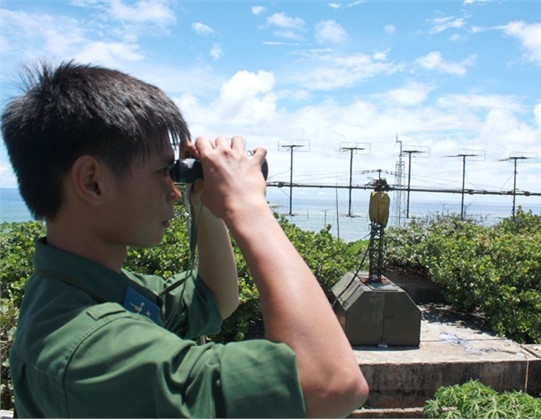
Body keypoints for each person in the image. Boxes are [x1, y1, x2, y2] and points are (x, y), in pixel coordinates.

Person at [2, 61, 368, 418]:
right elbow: (331, 382)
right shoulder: (89, 350)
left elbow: (217, 298)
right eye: (163, 171)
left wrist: (206, 205)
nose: (173, 192)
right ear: (92, 181)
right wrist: (248, 206)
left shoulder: (84, 291)